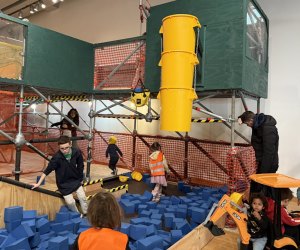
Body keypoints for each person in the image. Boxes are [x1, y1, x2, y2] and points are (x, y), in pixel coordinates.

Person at [32, 136, 88, 215]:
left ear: (70, 144)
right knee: (70, 202)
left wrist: (80, 179)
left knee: (82, 197)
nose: (64, 150)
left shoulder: (76, 152)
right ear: (59, 147)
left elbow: (80, 166)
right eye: (62, 148)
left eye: (66, 148)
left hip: (75, 180)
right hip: (63, 184)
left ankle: (86, 213)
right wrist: (38, 183)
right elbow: (47, 170)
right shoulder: (57, 157)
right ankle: (77, 215)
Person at [238, 111, 279, 192]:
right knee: (257, 187)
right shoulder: (258, 124)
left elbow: (269, 152)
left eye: (247, 124)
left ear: (251, 120)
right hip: (263, 162)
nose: (248, 126)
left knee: (262, 190)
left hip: (268, 164)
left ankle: (263, 203)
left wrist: (263, 172)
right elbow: (247, 115)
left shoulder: (267, 128)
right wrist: (240, 119)